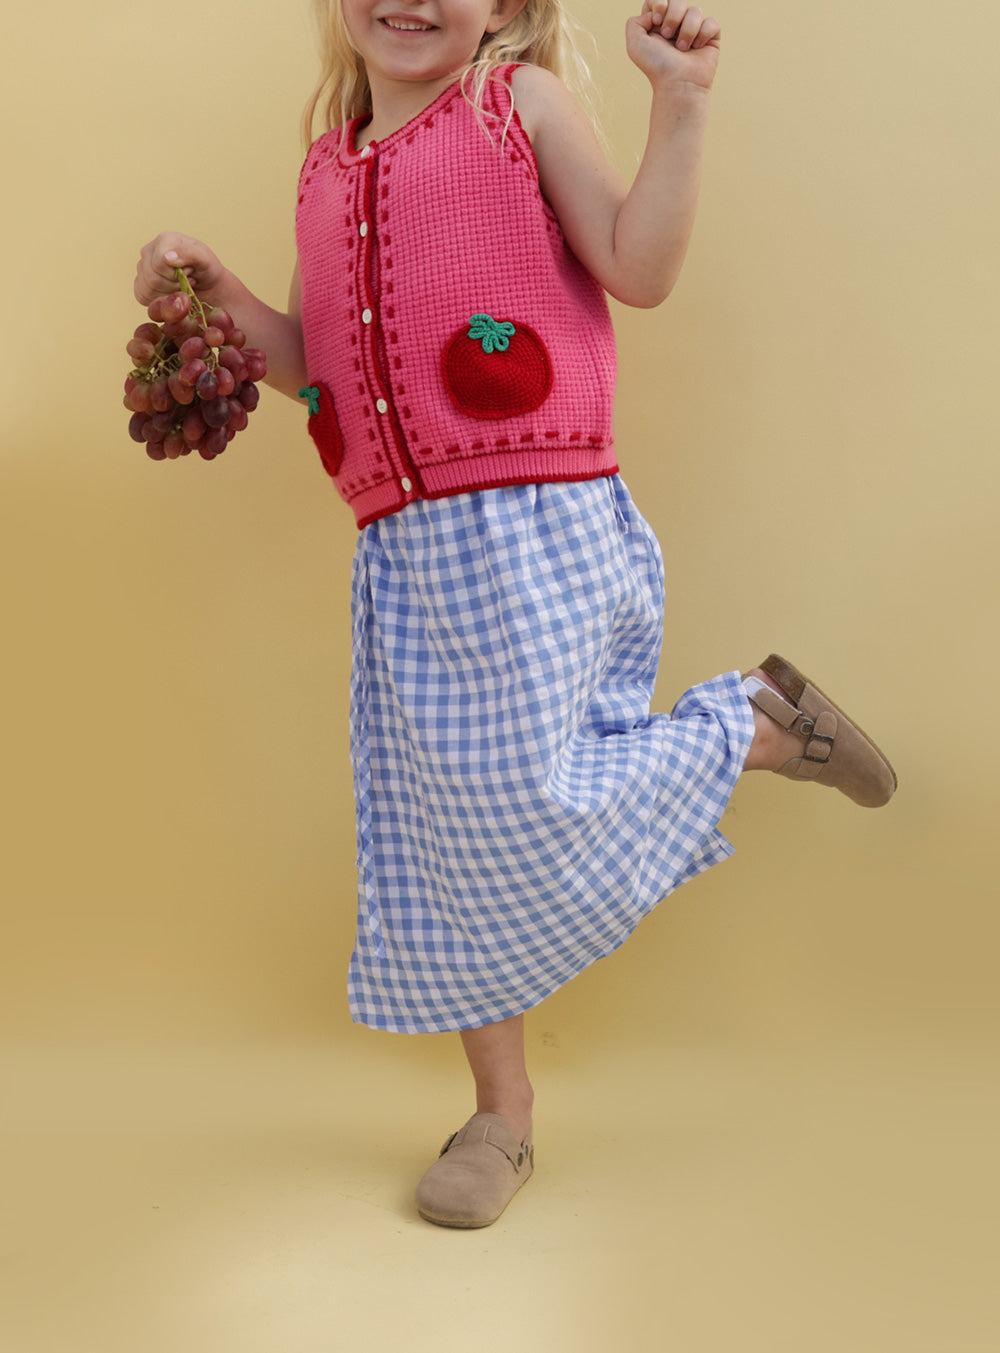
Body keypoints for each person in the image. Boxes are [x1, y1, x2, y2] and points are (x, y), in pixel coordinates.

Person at [134, 0, 896, 1230]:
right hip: (403, 555)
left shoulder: (515, 107)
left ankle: (748, 727)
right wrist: (209, 289)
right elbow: (312, 365)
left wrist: (681, 102)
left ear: (508, 6)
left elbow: (638, 268)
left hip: (532, 521)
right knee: (450, 840)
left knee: (529, 799)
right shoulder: (325, 169)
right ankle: (502, 1114)